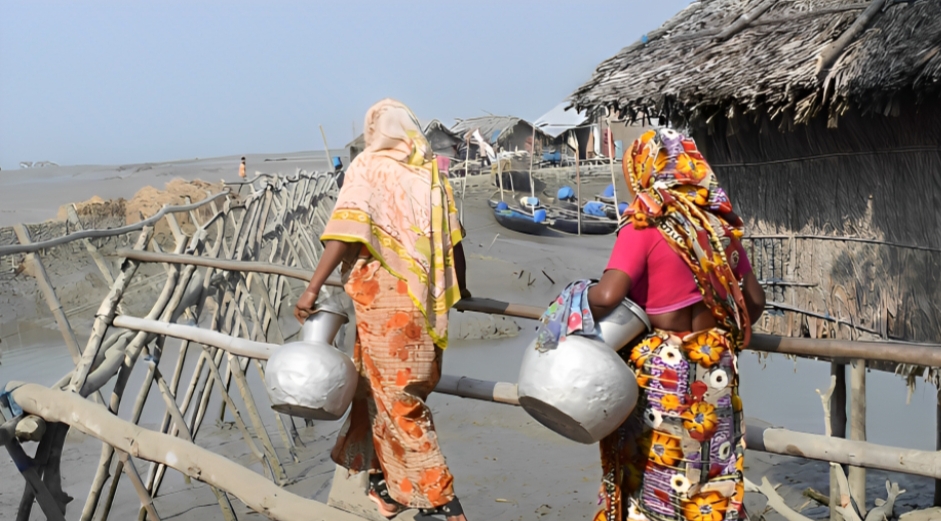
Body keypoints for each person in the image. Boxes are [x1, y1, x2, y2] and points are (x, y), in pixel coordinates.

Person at [294, 99, 470, 521]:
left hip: (383, 304)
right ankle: (386, 487)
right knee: (377, 390)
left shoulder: (367, 168)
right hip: (424, 303)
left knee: (398, 401)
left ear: (375, 131)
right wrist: (457, 290)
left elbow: (344, 231)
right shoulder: (429, 173)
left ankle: (444, 502)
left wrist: (312, 287)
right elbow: (454, 243)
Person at [586, 128, 765, 521]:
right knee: (711, 467)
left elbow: (607, 295)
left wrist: (575, 296)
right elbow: (755, 303)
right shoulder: (717, 227)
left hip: (662, 371)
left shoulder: (645, 223)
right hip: (714, 363)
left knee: (652, 474)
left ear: (643, 168)